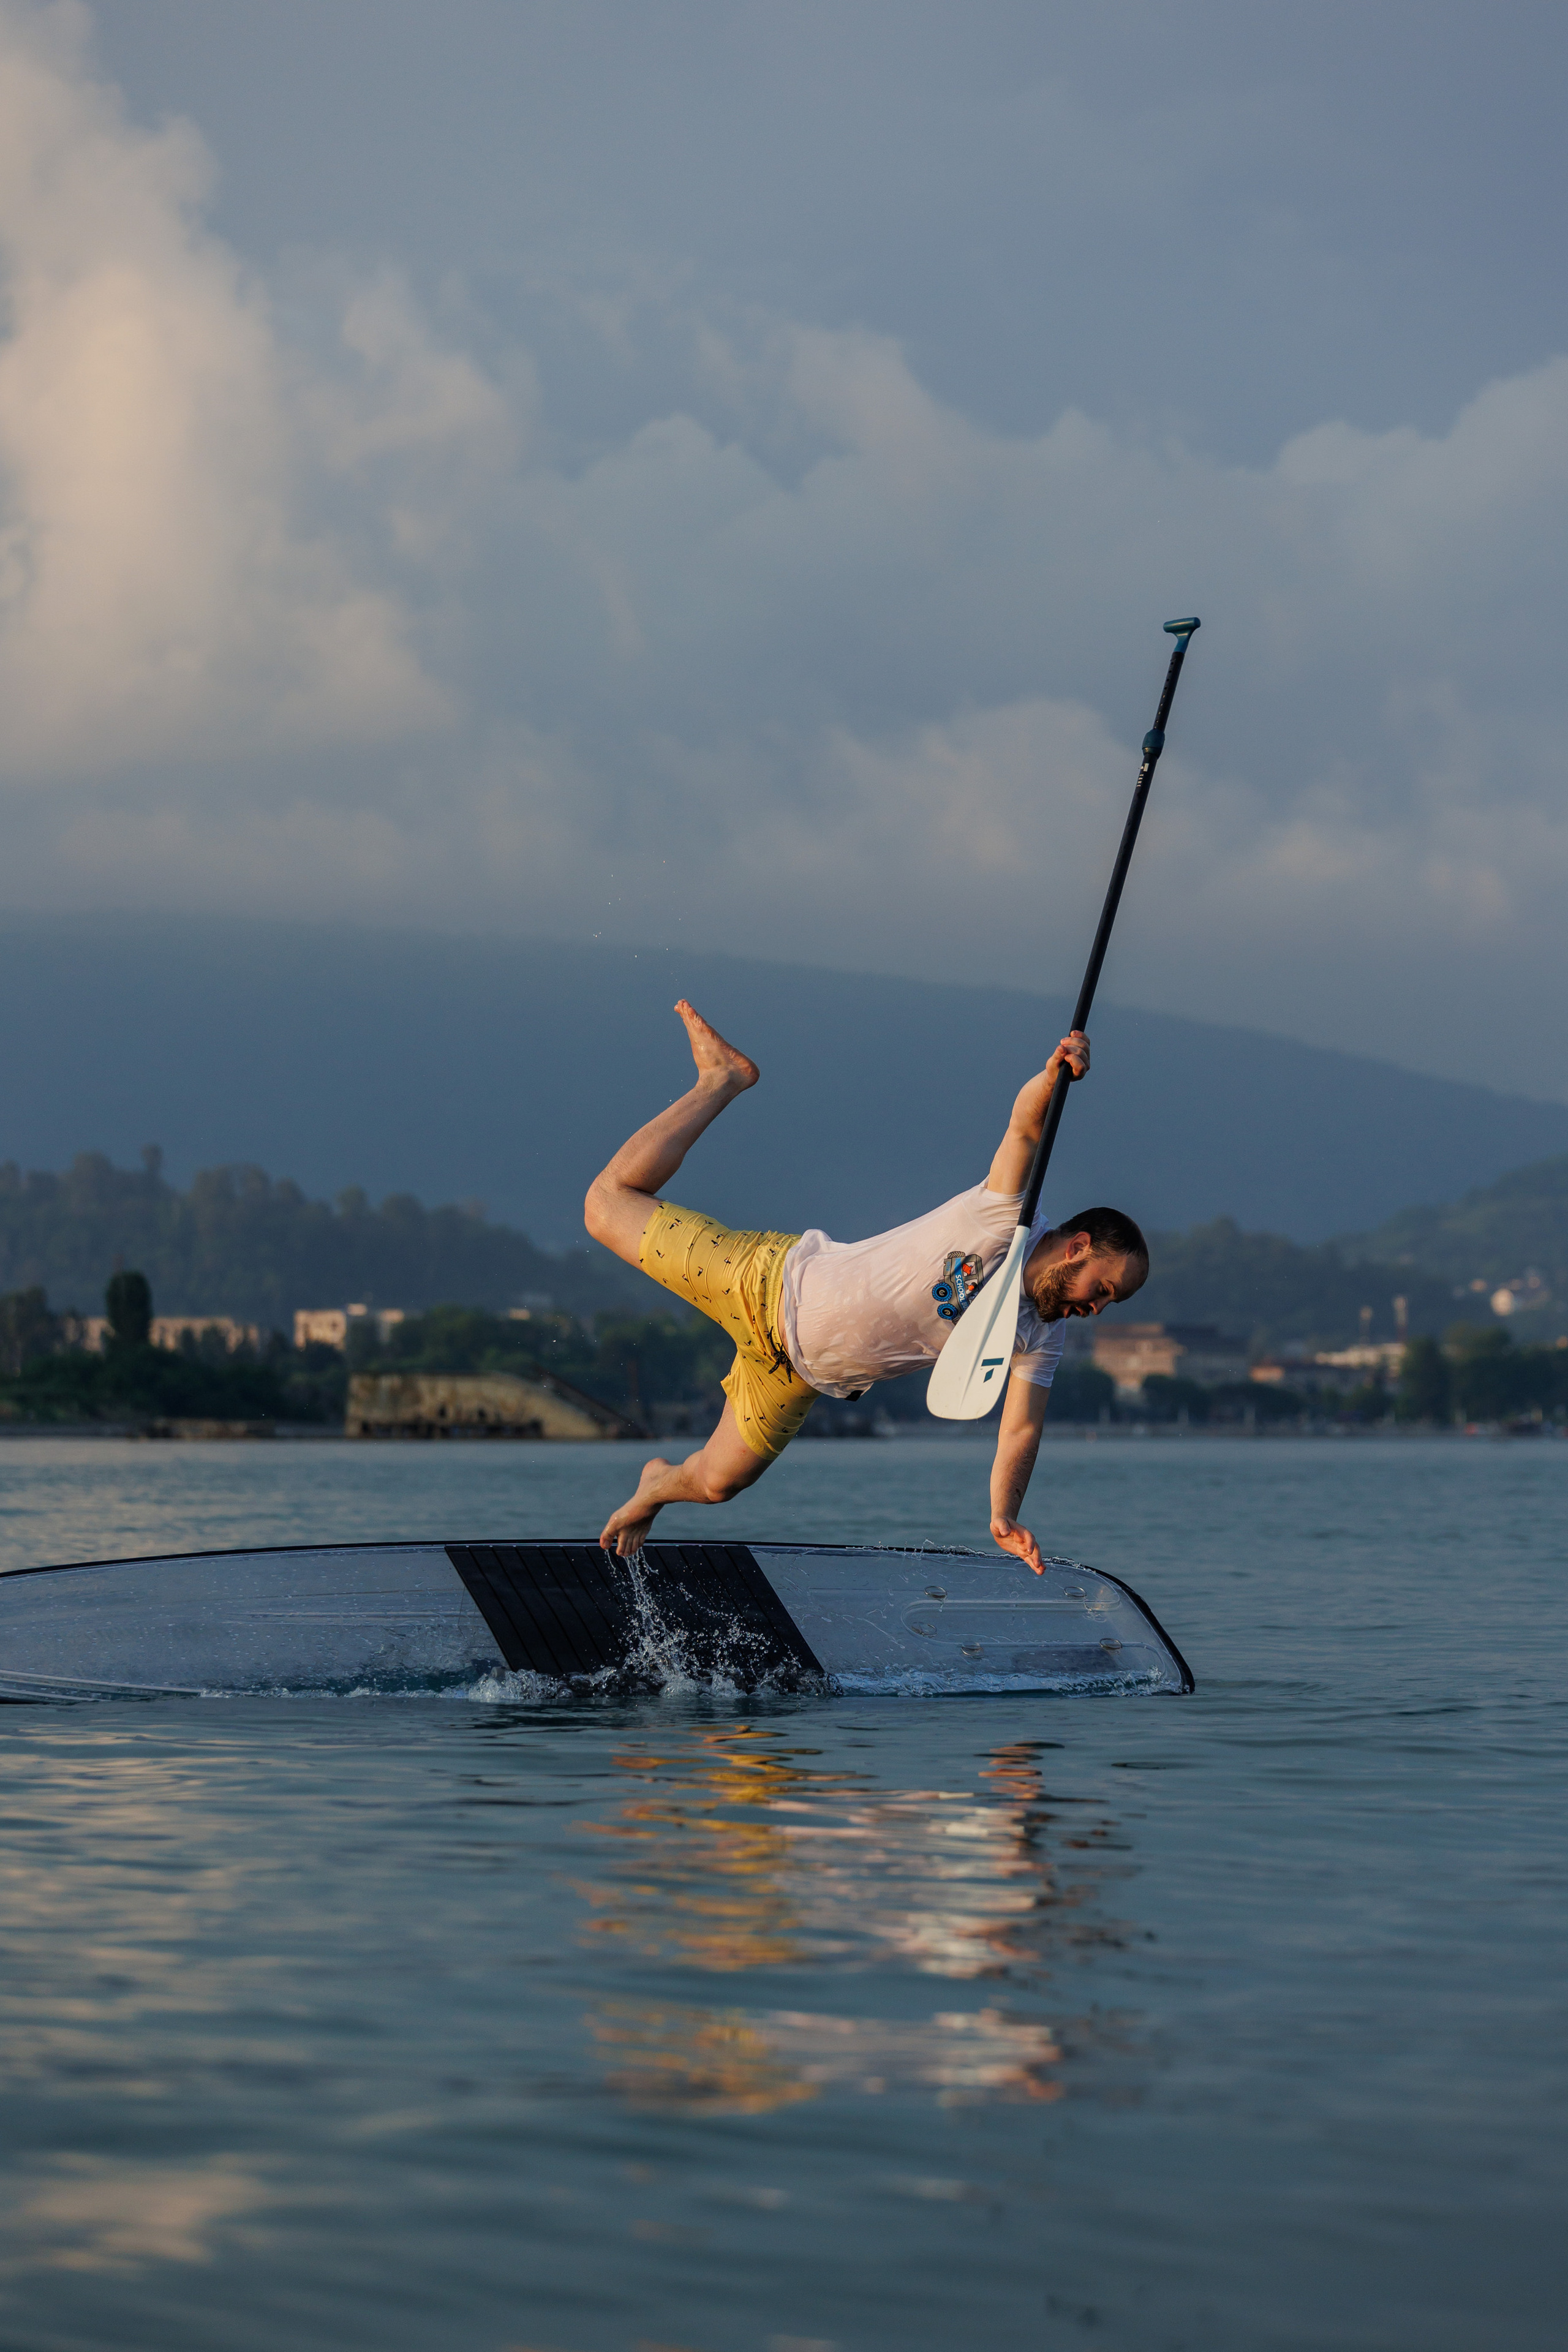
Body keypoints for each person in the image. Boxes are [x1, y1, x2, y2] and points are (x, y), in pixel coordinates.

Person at [585, 1001, 1148, 1569]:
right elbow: (1026, 1129)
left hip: (797, 1378)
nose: (1098, 1309)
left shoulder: (1041, 1333)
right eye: (1103, 1289)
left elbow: (1021, 1428)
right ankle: (720, 1079)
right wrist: (1052, 1077)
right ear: (1077, 1247)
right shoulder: (1005, 1216)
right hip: (766, 1283)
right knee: (604, 1207)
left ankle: (655, 1486)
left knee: (715, 1485)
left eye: (1110, 1302)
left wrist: (1003, 1514)